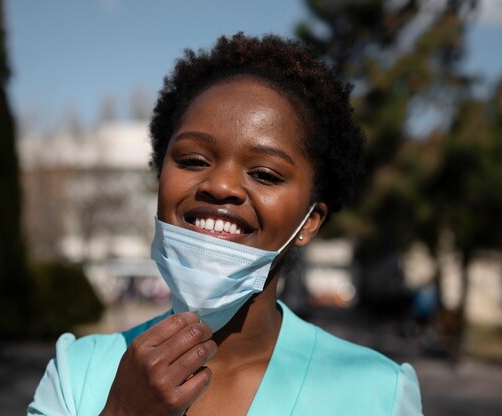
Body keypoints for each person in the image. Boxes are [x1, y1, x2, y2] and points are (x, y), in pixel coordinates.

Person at [28, 33, 423, 416]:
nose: (220, 186)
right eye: (193, 160)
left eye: (265, 174)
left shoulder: (377, 393)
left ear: (310, 222)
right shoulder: (77, 372)